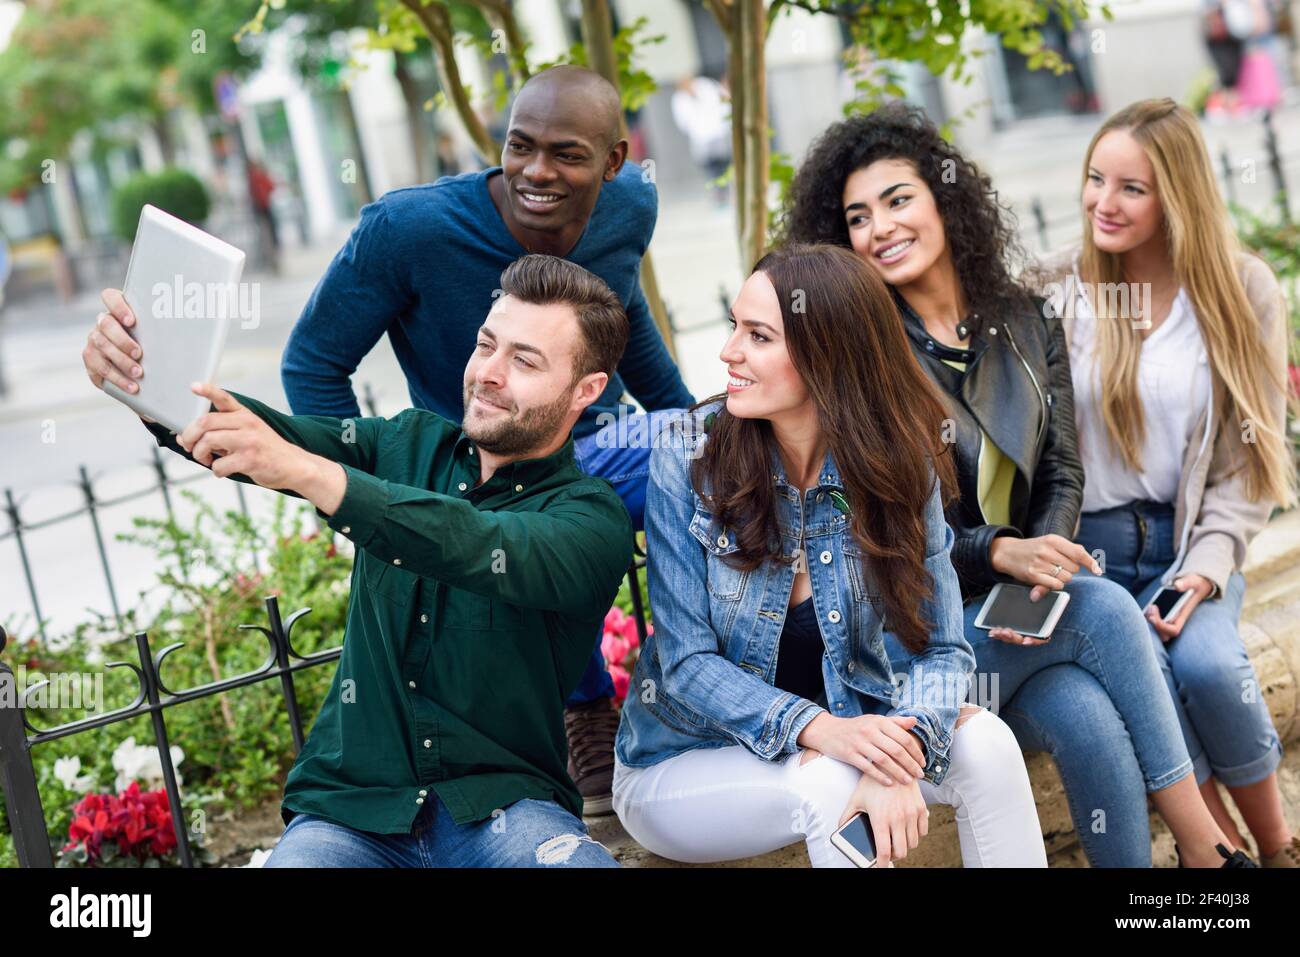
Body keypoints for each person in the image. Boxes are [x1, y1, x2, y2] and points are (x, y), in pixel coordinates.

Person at [79, 65, 694, 817]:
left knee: (728, 452)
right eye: (520, 146)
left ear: (613, 161)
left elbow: (622, 307)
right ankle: (586, 702)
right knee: (510, 538)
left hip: (598, 445)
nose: (538, 171)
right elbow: (312, 361)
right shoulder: (410, 228)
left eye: (566, 154)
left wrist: (690, 419)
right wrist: (354, 499)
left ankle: (702, 695)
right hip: (473, 473)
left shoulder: (629, 206)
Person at [780, 104, 1256, 867]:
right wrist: (1004, 554)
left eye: (899, 199)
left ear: (944, 200)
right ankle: (1206, 848)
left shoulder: (1025, 316)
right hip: (918, 643)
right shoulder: (862, 355)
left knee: (1088, 713)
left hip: (1016, 617)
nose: (880, 227)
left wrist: (1044, 557)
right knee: (1100, 605)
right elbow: (886, 533)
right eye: (858, 217)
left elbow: (1062, 466)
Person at [83, 254, 634, 867]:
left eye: (524, 360)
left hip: (504, 814)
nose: (489, 374)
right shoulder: (405, 444)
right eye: (486, 345)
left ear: (587, 390)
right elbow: (258, 436)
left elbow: (478, 543)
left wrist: (322, 479)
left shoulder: (589, 517)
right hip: (350, 815)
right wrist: (145, 380)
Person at [614, 243, 1048, 868]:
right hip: (686, 762)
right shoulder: (689, 455)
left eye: (758, 336)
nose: (728, 352)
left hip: (851, 736)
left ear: (828, 357)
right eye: (736, 325)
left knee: (988, 746)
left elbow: (944, 649)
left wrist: (907, 745)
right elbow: (686, 665)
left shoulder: (899, 464)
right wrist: (829, 735)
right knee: (829, 784)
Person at [1032, 98, 1298, 868]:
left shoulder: (1242, 290)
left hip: (1192, 543)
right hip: (1093, 555)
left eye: (1132, 188)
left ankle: (1278, 847)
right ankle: (1216, 860)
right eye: (1094, 179)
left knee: (1211, 665)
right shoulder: (1053, 289)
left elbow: (1250, 463)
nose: (1101, 203)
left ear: (1177, 195)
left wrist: (1205, 570)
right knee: (1144, 674)